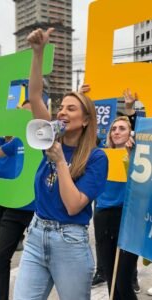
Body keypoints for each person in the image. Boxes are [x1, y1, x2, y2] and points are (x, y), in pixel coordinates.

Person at [13, 28, 108, 300]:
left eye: (71, 108)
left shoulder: (96, 157)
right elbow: (35, 94)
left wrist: (60, 163)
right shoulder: (50, 137)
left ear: (86, 120)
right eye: (62, 107)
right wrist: (38, 52)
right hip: (36, 234)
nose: (63, 112)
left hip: (70, 242)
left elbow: (74, 204)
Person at [0, 100, 36, 300]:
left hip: (40, 211)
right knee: (1, 256)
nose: (25, 118)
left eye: (30, 113)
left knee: (41, 262)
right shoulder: (18, 141)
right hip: (15, 207)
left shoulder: (49, 138)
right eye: (22, 114)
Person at [94, 115, 138, 300]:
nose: (117, 131)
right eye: (114, 129)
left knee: (123, 283)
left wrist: (131, 156)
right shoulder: (101, 155)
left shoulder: (139, 157)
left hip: (128, 219)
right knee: (112, 285)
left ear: (131, 133)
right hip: (103, 218)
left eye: (122, 128)